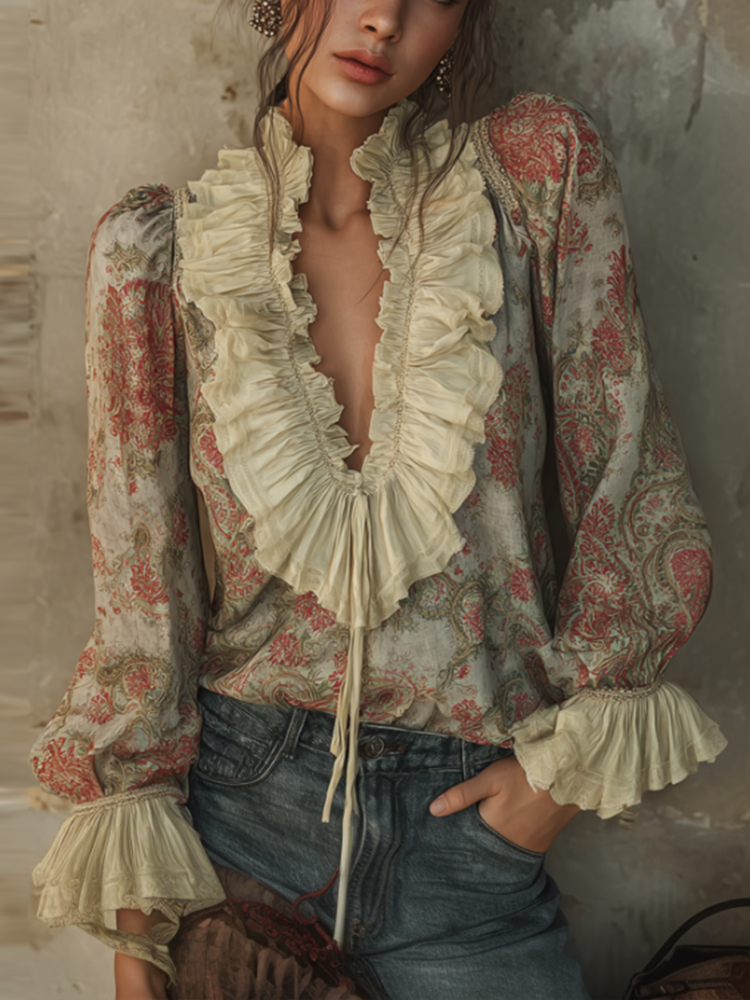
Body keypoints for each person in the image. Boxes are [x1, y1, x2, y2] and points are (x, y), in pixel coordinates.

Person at [30, 0, 728, 997]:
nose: (383, 19)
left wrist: (548, 791)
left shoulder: (534, 187)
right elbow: (143, 605)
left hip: (469, 850)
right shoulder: (157, 254)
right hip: (239, 825)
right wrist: (139, 932)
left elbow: (630, 479)